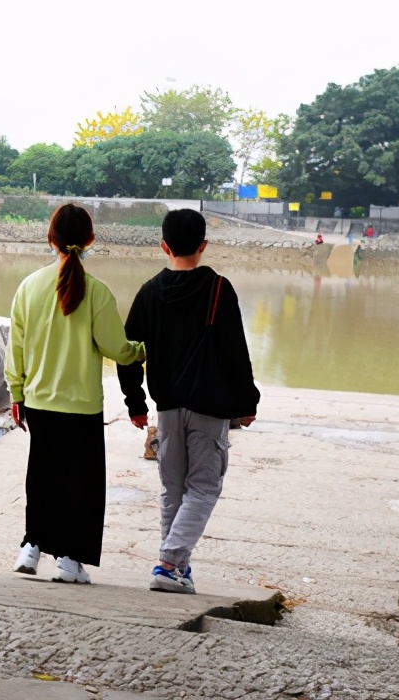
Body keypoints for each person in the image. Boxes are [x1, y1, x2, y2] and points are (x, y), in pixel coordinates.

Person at [118, 209, 260, 594]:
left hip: (166, 408)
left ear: (164, 246)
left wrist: (135, 402)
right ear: (203, 246)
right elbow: (235, 351)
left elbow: (129, 351)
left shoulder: (149, 292)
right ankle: (168, 563)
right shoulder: (218, 288)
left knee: (174, 489)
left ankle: (179, 568)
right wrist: (248, 401)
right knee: (204, 487)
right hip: (210, 408)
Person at [4, 203, 146, 584]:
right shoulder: (97, 293)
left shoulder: (28, 287)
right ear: (90, 241)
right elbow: (118, 349)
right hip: (82, 406)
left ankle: (31, 548)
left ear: (50, 239)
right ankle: (69, 560)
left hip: (38, 401)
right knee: (80, 485)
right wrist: (143, 350)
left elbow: (14, 348)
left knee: (42, 475)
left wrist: (16, 394)